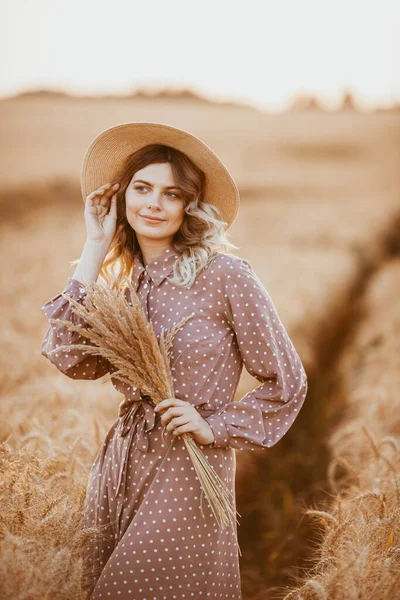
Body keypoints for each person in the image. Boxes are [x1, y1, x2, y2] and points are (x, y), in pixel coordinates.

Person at [40, 122, 308, 600]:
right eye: (142, 189)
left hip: (189, 465)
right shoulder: (124, 291)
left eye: (171, 193)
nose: (154, 203)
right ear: (122, 197)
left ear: (189, 205)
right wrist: (94, 246)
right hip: (122, 463)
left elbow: (286, 380)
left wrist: (216, 426)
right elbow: (66, 354)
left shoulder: (225, 275)